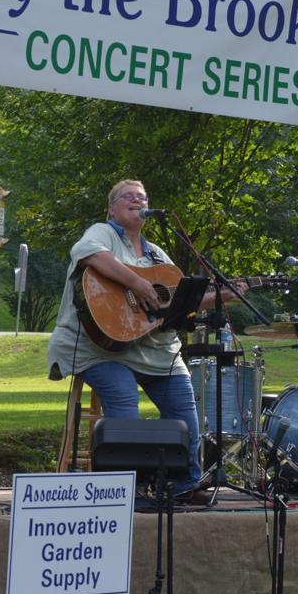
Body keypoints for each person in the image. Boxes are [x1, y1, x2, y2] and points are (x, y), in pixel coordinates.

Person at [47, 179, 236, 494]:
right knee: (123, 396)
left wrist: (224, 295)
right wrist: (137, 284)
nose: (137, 199)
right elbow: (87, 253)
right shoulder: (102, 232)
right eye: (128, 196)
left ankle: (187, 483)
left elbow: (178, 299)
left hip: (153, 351)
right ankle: (127, 487)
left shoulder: (158, 255)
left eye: (143, 196)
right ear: (111, 209)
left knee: (183, 404)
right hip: (99, 348)